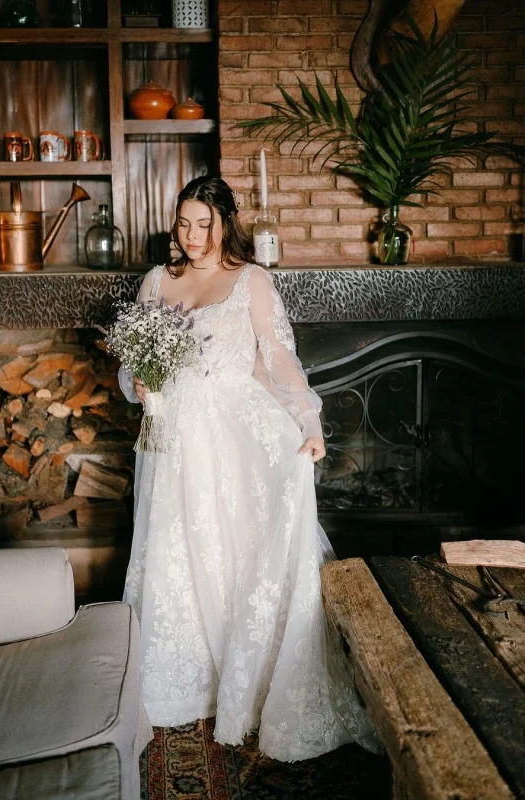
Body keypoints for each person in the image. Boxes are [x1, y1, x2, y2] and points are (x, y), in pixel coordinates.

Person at [118, 176, 379, 762]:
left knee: (233, 545)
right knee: (176, 547)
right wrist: (139, 383)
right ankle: (188, 679)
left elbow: (278, 358)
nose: (191, 235)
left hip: (233, 435)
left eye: (203, 224)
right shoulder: (156, 281)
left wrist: (308, 421)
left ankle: (248, 673)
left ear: (225, 224)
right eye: (183, 223)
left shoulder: (252, 281)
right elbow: (134, 365)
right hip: (172, 439)